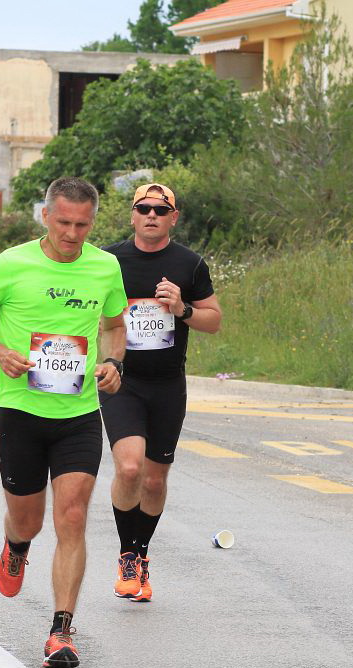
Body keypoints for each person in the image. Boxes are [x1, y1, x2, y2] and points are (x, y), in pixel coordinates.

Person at [0, 177, 127, 668]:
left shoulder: (105, 266)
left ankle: (61, 630)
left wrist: (115, 364)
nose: (73, 234)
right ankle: (15, 545)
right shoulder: (10, 264)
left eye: (83, 224)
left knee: (72, 516)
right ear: (45, 217)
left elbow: (115, 326)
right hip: (21, 412)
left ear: (93, 221)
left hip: (78, 414)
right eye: (64, 223)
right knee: (29, 519)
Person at [98, 184, 223, 603]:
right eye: (143, 208)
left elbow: (213, 320)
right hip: (123, 382)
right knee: (130, 469)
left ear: (174, 217)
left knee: (154, 479)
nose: (151, 214)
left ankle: (143, 555)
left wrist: (182, 309)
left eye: (160, 209)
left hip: (168, 385)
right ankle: (126, 556)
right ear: (132, 215)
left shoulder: (189, 263)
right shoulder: (108, 261)